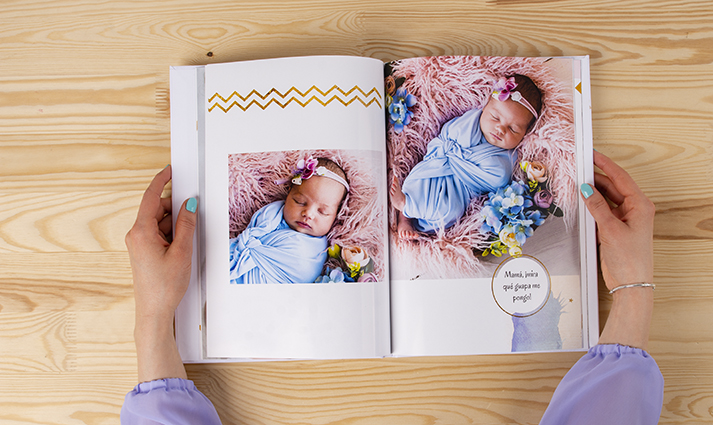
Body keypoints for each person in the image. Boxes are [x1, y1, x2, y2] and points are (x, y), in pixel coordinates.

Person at [121, 151, 663, 424]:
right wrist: (633, 290)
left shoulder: (309, 241)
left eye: (324, 210)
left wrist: (153, 315)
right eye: (300, 202)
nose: (309, 214)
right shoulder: (271, 220)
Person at [389, 74, 542, 240]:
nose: (500, 129)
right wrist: (453, 154)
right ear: (485, 108)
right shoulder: (471, 121)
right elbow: (446, 134)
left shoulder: (506, 159)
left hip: (459, 189)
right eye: (495, 117)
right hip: (440, 164)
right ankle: (404, 214)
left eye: (513, 129)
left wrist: (458, 156)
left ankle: (408, 210)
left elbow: (498, 180)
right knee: (418, 182)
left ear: (525, 134)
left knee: (450, 210)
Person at [229, 156, 349, 284]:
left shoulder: (316, 252)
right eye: (300, 202)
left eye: (322, 212)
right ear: (289, 195)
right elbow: (246, 239)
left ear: (336, 215)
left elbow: (304, 273)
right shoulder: (272, 214)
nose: (308, 213)